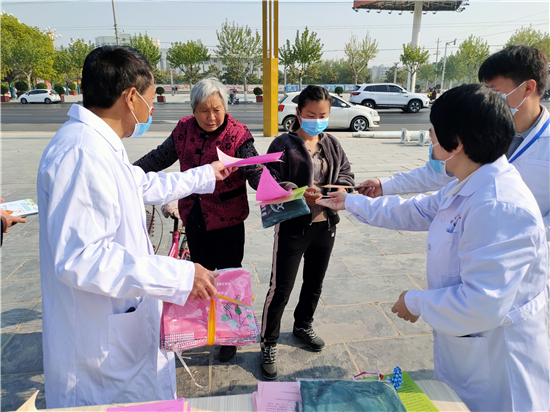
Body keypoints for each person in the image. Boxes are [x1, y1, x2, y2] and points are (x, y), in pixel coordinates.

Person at [318, 84, 550, 412]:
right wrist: (351, 202)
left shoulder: (498, 206)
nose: (430, 139)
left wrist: (416, 301)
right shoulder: (470, 182)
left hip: (500, 364)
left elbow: (481, 304)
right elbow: (417, 210)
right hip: (471, 349)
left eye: (434, 133)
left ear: (457, 143)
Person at [37, 46, 235, 408]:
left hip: (118, 330)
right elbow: (81, 258)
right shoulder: (81, 154)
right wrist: (178, 275)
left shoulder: (99, 147)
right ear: (131, 98)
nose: (151, 109)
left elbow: (142, 183)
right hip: (99, 352)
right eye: (150, 99)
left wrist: (205, 174)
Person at [134, 77, 263, 363]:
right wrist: (127, 173)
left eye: (217, 109)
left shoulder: (238, 134)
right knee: (200, 274)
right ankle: (203, 325)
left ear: (225, 107)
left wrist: (277, 186)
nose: (211, 116)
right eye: (204, 110)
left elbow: (254, 170)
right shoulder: (183, 130)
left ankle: (230, 333)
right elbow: (158, 158)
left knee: (228, 276)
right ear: (193, 110)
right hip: (194, 215)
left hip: (228, 220)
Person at [259, 85, 354, 380]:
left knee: (314, 283)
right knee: (280, 288)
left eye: (323, 115)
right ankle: (268, 342)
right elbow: (270, 180)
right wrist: (299, 192)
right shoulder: (282, 144)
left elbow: (347, 173)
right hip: (293, 226)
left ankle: (303, 325)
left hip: (325, 226)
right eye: (311, 114)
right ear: (299, 113)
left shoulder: (332, 144)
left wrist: (341, 188)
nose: (317, 120)